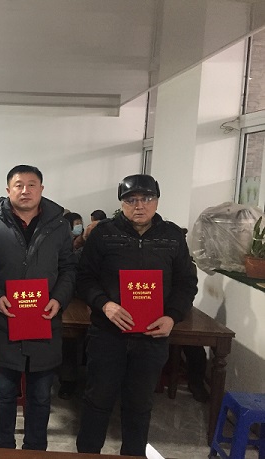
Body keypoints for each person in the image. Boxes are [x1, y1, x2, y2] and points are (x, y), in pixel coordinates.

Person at [75, 174, 198, 456]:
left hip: (151, 336)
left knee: (140, 403)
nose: (139, 205)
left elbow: (186, 283)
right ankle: (87, 453)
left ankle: (133, 454)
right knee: (97, 399)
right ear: (122, 203)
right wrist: (105, 304)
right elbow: (84, 278)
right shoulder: (104, 234)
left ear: (156, 201)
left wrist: (172, 316)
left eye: (146, 199)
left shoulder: (172, 236)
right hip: (107, 334)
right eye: (131, 200)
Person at [0, 164, 76, 451]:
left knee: (41, 395)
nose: (25, 190)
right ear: (8, 190)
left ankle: (35, 450)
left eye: (32, 185)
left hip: (44, 321)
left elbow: (69, 268)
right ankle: (3, 449)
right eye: (19, 185)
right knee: (3, 392)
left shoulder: (60, 226)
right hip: (5, 322)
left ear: (41, 189)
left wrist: (59, 299)